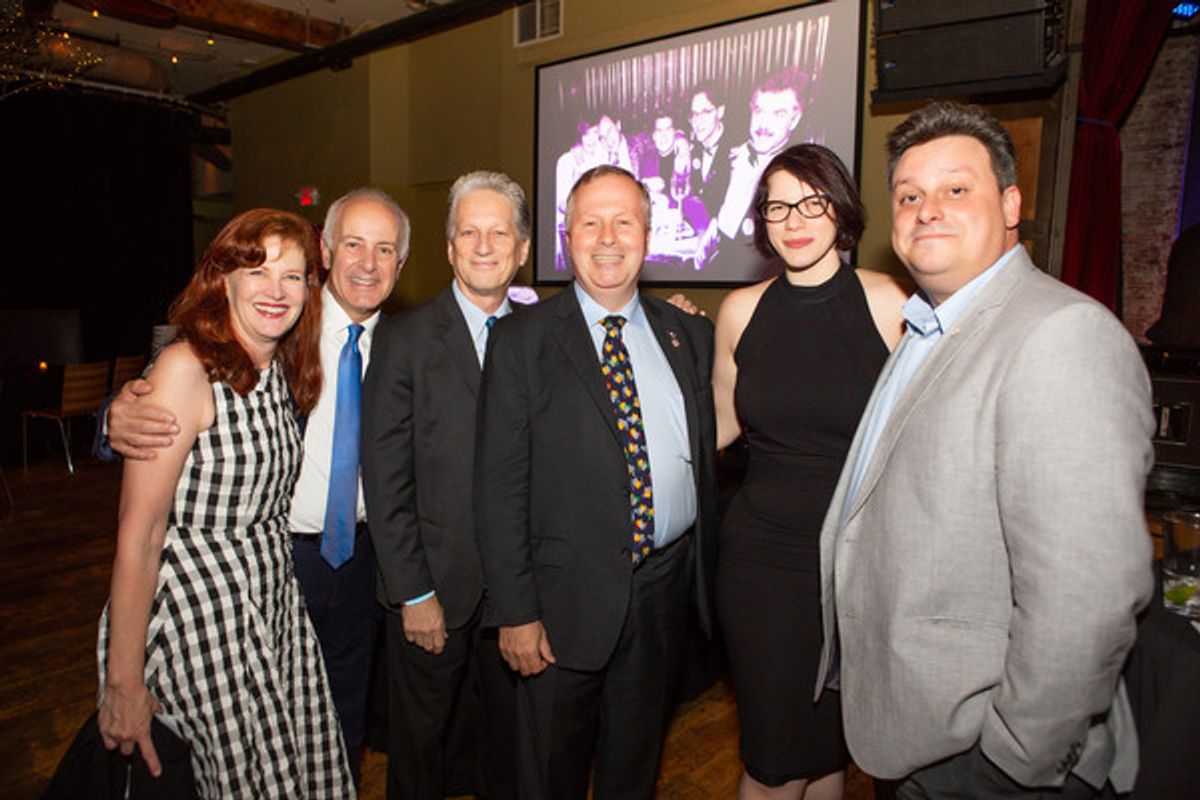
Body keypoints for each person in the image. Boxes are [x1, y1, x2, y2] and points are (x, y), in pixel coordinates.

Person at [815, 101, 1154, 798]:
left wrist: (1013, 759)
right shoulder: (928, 327)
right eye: (909, 196)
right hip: (917, 730)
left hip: (985, 760)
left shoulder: (1060, 335)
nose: (928, 210)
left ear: (1011, 205)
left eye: (955, 188)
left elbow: (1087, 597)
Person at [101, 187, 410, 782]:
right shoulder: (252, 344)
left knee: (324, 741)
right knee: (230, 766)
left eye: (384, 249)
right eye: (353, 244)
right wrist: (114, 416)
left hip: (336, 576)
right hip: (227, 595)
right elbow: (163, 430)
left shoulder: (392, 347)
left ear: (401, 263)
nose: (368, 264)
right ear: (327, 253)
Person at [475, 165, 717, 799]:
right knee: (550, 776)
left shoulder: (687, 333)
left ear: (648, 235)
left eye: (624, 222)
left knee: (633, 773)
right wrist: (517, 613)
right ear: (567, 237)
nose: (608, 238)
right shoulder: (521, 341)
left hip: (663, 594)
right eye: (590, 222)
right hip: (560, 605)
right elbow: (499, 487)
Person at [713, 144, 907, 800]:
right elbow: (719, 425)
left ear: (840, 208)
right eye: (777, 206)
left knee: (828, 753)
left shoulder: (890, 303)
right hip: (763, 563)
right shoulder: (740, 311)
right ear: (762, 221)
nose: (793, 220)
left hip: (857, 560)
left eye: (811, 202)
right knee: (774, 761)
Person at [361, 171, 529, 800]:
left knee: (508, 756)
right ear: (450, 247)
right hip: (433, 591)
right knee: (420, 759)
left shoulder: (541, 337)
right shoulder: (404, 338)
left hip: (518, 600)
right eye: (469, 232)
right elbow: (386, 478)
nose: (484, 246)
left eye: (499, 233)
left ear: (523, 249)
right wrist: (414, 592)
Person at [699, 67, 808, 274]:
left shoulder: (799, 175)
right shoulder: (733, 155)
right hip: (717, 266)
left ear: (794, 120)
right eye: (759, 111)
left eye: (778, 114)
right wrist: (715, 228)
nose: (763, 124)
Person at [687, 83, 732, 227]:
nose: (698, 121)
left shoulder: (736, 151)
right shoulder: (693, 145)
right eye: (694, 114)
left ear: (720, 112)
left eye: (706, 112)